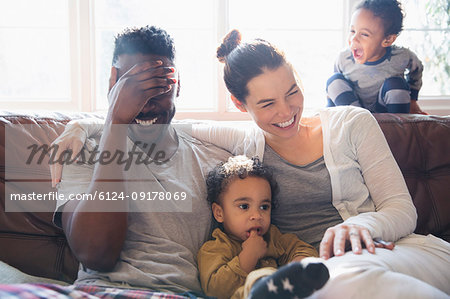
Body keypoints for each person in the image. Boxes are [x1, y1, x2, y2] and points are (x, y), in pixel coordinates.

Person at [51, 29, 450, 298]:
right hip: (311, 272)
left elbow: (402, 210)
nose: (286, 112)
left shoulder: (350, 122)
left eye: (292, 92)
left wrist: (357, 226)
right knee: (314, 281)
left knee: (349, 276)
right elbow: (166, 123)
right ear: (241, 107)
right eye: (266, 104)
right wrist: (92, 123)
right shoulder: (241, 143)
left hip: (387, 249)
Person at [51, 25, 231, 296]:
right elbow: (96, 253)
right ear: (113, 84)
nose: (146, 104)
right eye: (134, 88)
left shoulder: (213, 158)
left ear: (177, 85)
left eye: (158, 87)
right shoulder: (81, 150)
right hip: (94, 292)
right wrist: (115, 121)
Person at [198, 155, 328, 299]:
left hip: (286, 293)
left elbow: (302, 248)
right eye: (244, 206)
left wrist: (297, 268)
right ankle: (265, 287)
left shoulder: (272, 237)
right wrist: (248, 257)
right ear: (219, 213)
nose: (257, 215)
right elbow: (215, 290)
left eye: (264, 207)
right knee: (258, 278)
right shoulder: (214, 248)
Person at [326, 0, 427, 114]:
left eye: (364, 34)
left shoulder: (402, 56)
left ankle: (399, 126)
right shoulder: (343, 59)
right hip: (354, 113)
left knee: (396, 84)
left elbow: (417, 69)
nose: (354, 38)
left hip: (385, 114)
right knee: (333, 81)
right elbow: (334, 93)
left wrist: (413, 100)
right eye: (352, 30)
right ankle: (358, 123)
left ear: (387, 40)